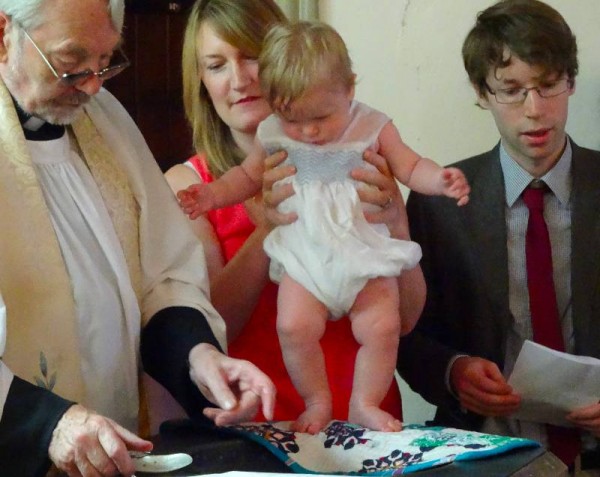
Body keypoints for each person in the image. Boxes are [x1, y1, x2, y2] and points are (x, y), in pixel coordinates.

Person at [0, 0, 276, 475]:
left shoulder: (106, 121)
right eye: (70, 66)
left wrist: (199, 357)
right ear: (3, 33)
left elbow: (162, 276)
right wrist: (48, 424)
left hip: (113, 441)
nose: (91, 86)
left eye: (105, 64)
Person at [176, 20, 469, 434]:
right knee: (293, 326)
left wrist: (438, 181)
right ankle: (317, 401)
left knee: (381, 326)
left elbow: (411, 165)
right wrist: (211, 196)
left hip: (363, 251)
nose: (308, 132)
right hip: (305, 254)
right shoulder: (273, 134)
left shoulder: (372, 127)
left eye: (321, 117)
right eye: (216, 64)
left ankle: (364, 403)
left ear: (349, 90)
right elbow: (244, 177)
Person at [397, 0, 600, 470]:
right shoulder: (439, 202)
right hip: (489, 453)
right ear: (481, 92)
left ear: (570, 81)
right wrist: (454, 371)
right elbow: (407, 335)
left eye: (548, 85)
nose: (535, 110)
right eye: (511, 90)